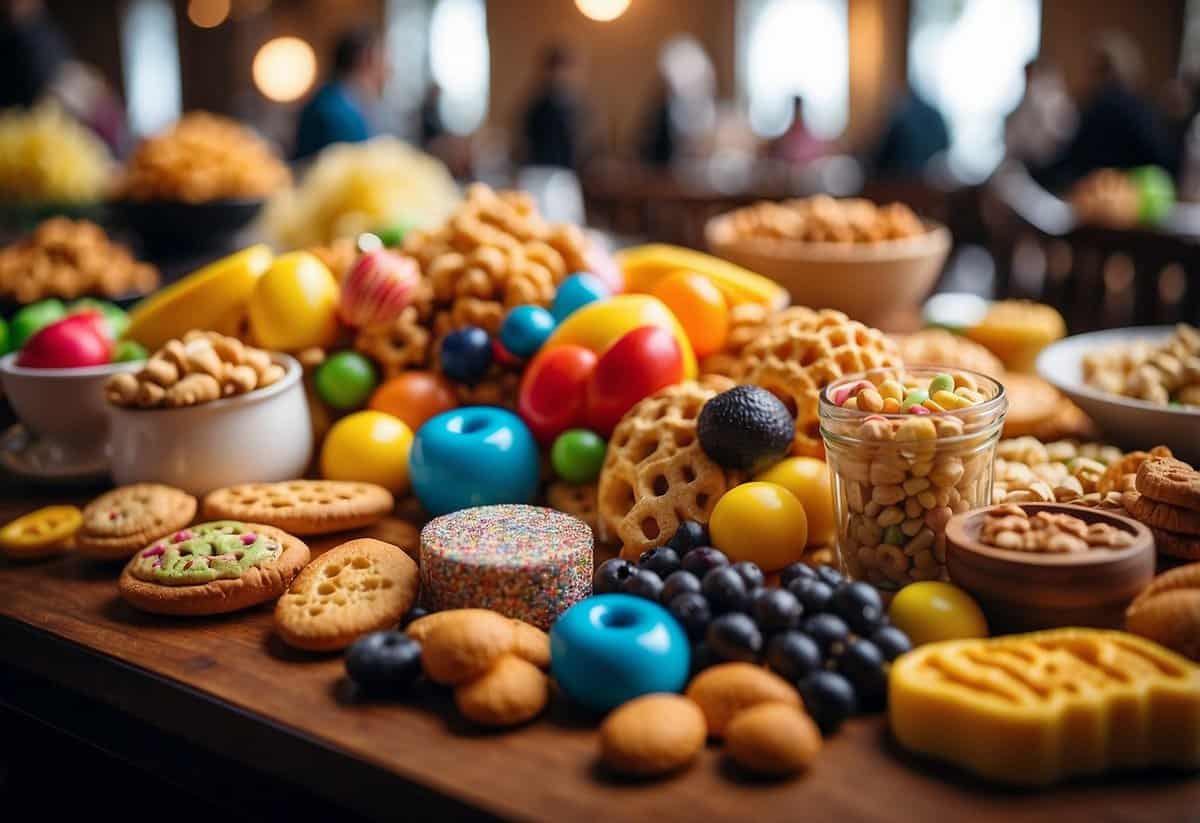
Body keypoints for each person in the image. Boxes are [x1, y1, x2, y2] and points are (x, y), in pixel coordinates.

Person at [1036, 31, 1175, 190]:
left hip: (1109, 195)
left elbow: (1073, 157)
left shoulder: (1101, 106)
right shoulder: (1144, 106)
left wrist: (1035, 174)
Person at [294, 27, 387, 160]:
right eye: (383, 59)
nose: (388, 70)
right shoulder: (340, 115)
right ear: (367, 60)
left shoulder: (330, 99)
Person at [520, 45, 584, 170]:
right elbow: (524, 138)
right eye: (556, 68)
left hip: (568, 169)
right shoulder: (537, 104)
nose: (560, 75)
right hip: (540, 169)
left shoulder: (576, 104)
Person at [1004, 60, 1076, 168]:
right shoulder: (1023, 102)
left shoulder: (1047, 95)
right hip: (1025, 159)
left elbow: (1063, 129)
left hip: (1049, 161)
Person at [870, 90, 950, 178]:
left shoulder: (900, 117)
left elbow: (882, 159)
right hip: (930, 181)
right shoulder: (935, 115)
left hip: (901, 181)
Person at [768, 96, 828, 167]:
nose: (797, 113)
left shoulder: (815, 138)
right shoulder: (781, 139)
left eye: (798, 109)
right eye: (796, 109)